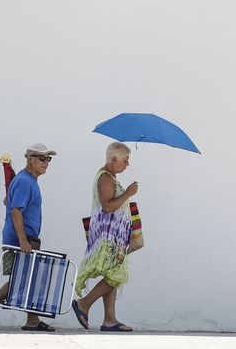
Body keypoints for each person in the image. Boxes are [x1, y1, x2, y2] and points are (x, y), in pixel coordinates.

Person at [0, 143, 57, 332]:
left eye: (49, 159)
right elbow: (15, 211)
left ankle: (32, 320)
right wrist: (22, 241)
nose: (47, 163)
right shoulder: (24, 181)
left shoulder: (25, 180)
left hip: (27, 236)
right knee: (23, 278)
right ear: (30, 159)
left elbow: (8, 201)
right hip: (21, 237)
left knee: (29, 278)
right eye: (42, 158)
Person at [72, 142, 138, 332]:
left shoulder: (110, 177)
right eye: (125, 161)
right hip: (108, 236)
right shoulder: (105, 179)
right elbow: (107, 206)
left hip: (114, 236)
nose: (127, 165)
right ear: (113, 159)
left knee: (113, 274)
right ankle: (84, 304)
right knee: (118, 273)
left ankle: (110, 319)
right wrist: (128, 193)